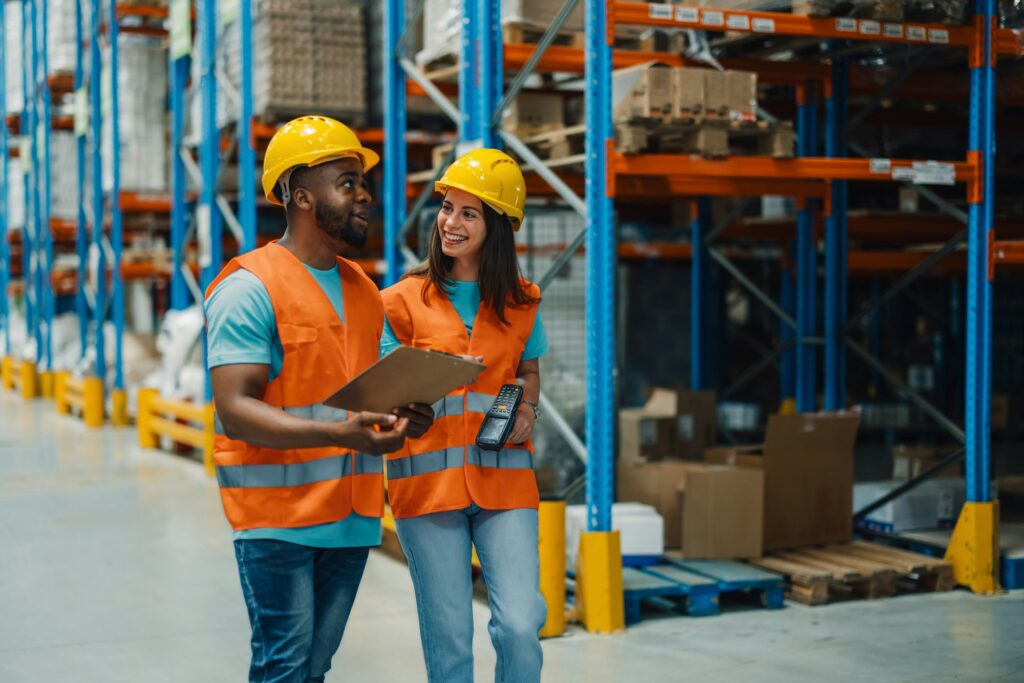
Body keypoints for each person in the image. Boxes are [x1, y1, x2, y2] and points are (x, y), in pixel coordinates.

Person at [204, 116, 433, 683]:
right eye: (347, 182)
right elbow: (234, 410)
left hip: (350, 518)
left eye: (362, 181)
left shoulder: (363, 289)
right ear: (300, 197)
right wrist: (337, 433)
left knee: (312, 668)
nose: (364, 195)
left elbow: (380, 390)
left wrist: (409, 415)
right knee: (284, 666)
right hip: (276, 521)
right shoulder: (248, 288)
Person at [380, 148, 548, 683]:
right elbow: (381, 392)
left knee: (521, 624)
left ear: (496, 226)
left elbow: (529, 373)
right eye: (447, 208)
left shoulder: (523, 301)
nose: (450, 223)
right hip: (428, 489)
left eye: (468, 213)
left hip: (505, 483)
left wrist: (527, 409)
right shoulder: (402, 301)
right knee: (450, 637)